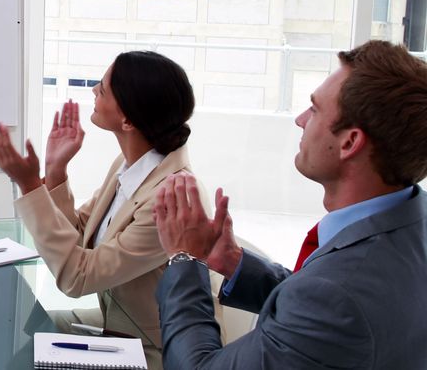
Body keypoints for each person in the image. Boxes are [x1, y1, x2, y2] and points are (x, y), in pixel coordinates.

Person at [153, 40, 427, 369]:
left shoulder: (337, 296)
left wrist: (185, 259)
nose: (299, 120)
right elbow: (329, 309)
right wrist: (237, 263)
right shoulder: (410, 226)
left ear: (350, 142)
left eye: (314, 109)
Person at [0, 50, 216, 368]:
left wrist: (30, 187)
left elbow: (78, 277)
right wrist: (55, 171)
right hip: (120, 322)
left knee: (25, 351)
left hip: (151, 349)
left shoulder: (170, 198)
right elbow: (80, 237)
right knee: (25, 331)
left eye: (104, 88)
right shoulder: (132, 168)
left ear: (127, 120)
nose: (94, 90)